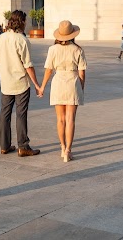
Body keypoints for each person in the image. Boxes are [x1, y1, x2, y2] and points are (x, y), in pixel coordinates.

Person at [0, 9, 42, 157]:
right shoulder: (23, 40)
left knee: (4, 114)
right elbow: (28, 65)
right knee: (21, 114)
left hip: (6, 82)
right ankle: (23, 146)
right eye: (25, 21)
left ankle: (4, 145)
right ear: (21, 23)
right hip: (21, 83)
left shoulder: (1, 38)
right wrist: (37, 85)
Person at [38, 20, 87, 162]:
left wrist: (42, 87)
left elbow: (48, 70)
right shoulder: (78, 50)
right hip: (73, 81)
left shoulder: (52, 49)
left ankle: (62, 146)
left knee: (60, 119)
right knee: (70, 119)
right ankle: (68, 151)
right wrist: (81, 88)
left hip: (58, 81)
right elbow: (82, 73)